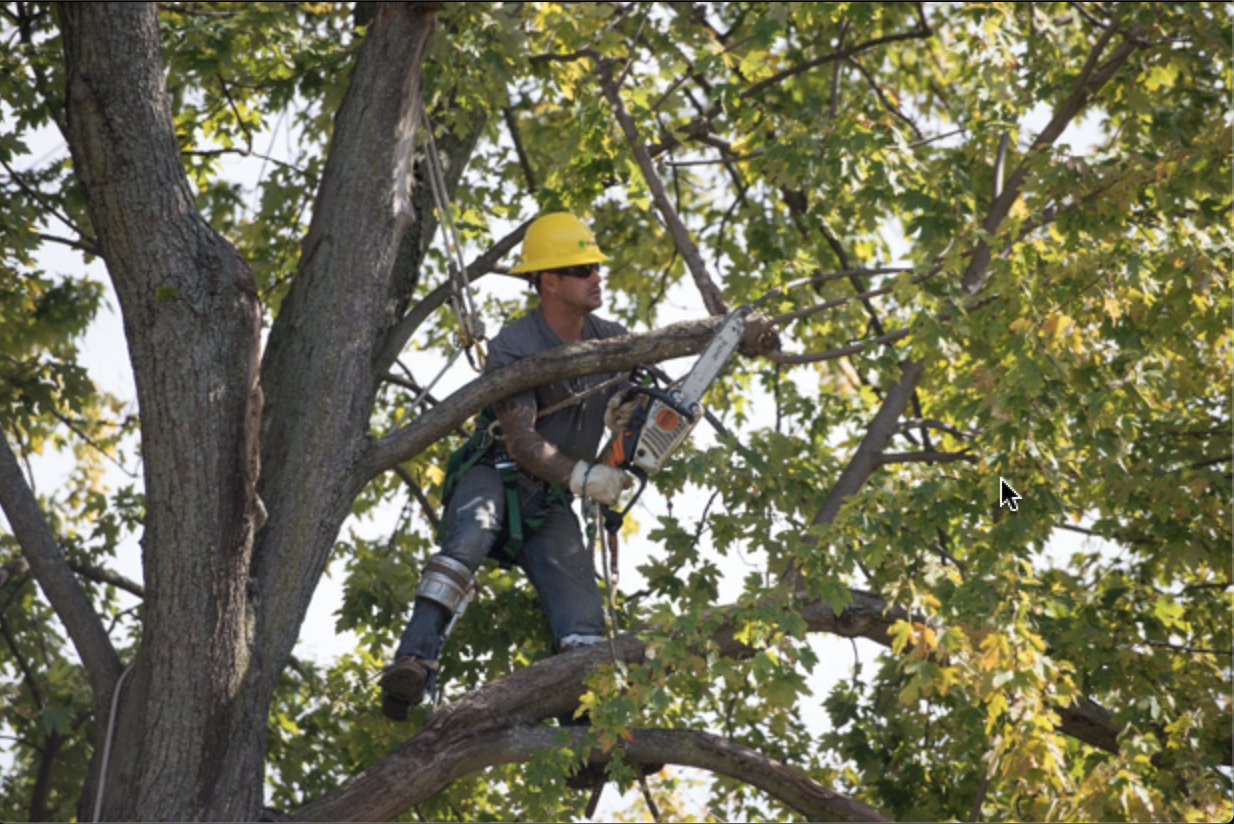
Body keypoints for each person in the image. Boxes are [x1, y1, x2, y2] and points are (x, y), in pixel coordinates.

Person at [380, 212, 639, 722]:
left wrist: (625, 421)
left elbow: (648, 412)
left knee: (584, 617)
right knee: (471, 534)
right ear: (549, 280)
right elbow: (521, 441)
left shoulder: (614, 339)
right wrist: (586, 477)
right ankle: (414, 661)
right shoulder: (516, 344)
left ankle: (591, 734)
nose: (596, 276)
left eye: (596, 267)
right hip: (496, 472)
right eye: (583, 267)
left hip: (550, 500)